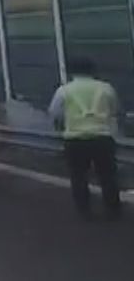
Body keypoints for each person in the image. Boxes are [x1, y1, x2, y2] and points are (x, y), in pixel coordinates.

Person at [48, 56, 123, 220]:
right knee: (107, 175)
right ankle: (113, 208)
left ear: (71, 71)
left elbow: (55, 113)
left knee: (78, 175)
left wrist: (62, 127)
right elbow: (115, 109)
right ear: (93, 70)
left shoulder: (64, 90)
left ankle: (84, 210)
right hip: (102, 137)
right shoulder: (106, 88)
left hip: (75, 139)